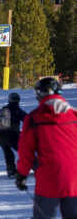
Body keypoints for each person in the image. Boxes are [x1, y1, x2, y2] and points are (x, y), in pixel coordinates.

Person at [14, 77, 77, 219]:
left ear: (41, 93)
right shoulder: (74, 114)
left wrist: (22, 174)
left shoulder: (34, 118)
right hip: (74, 179)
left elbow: (26, 151)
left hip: (48, 179)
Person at [0, 92, 27, 178]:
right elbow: (28, 120)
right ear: (18, 100)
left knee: (8, 153)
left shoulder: (2, 110)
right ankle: (36, 168)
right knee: (24, 151)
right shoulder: (17, 110)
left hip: (0, 136)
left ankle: (11, 171)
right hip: (12, 135)